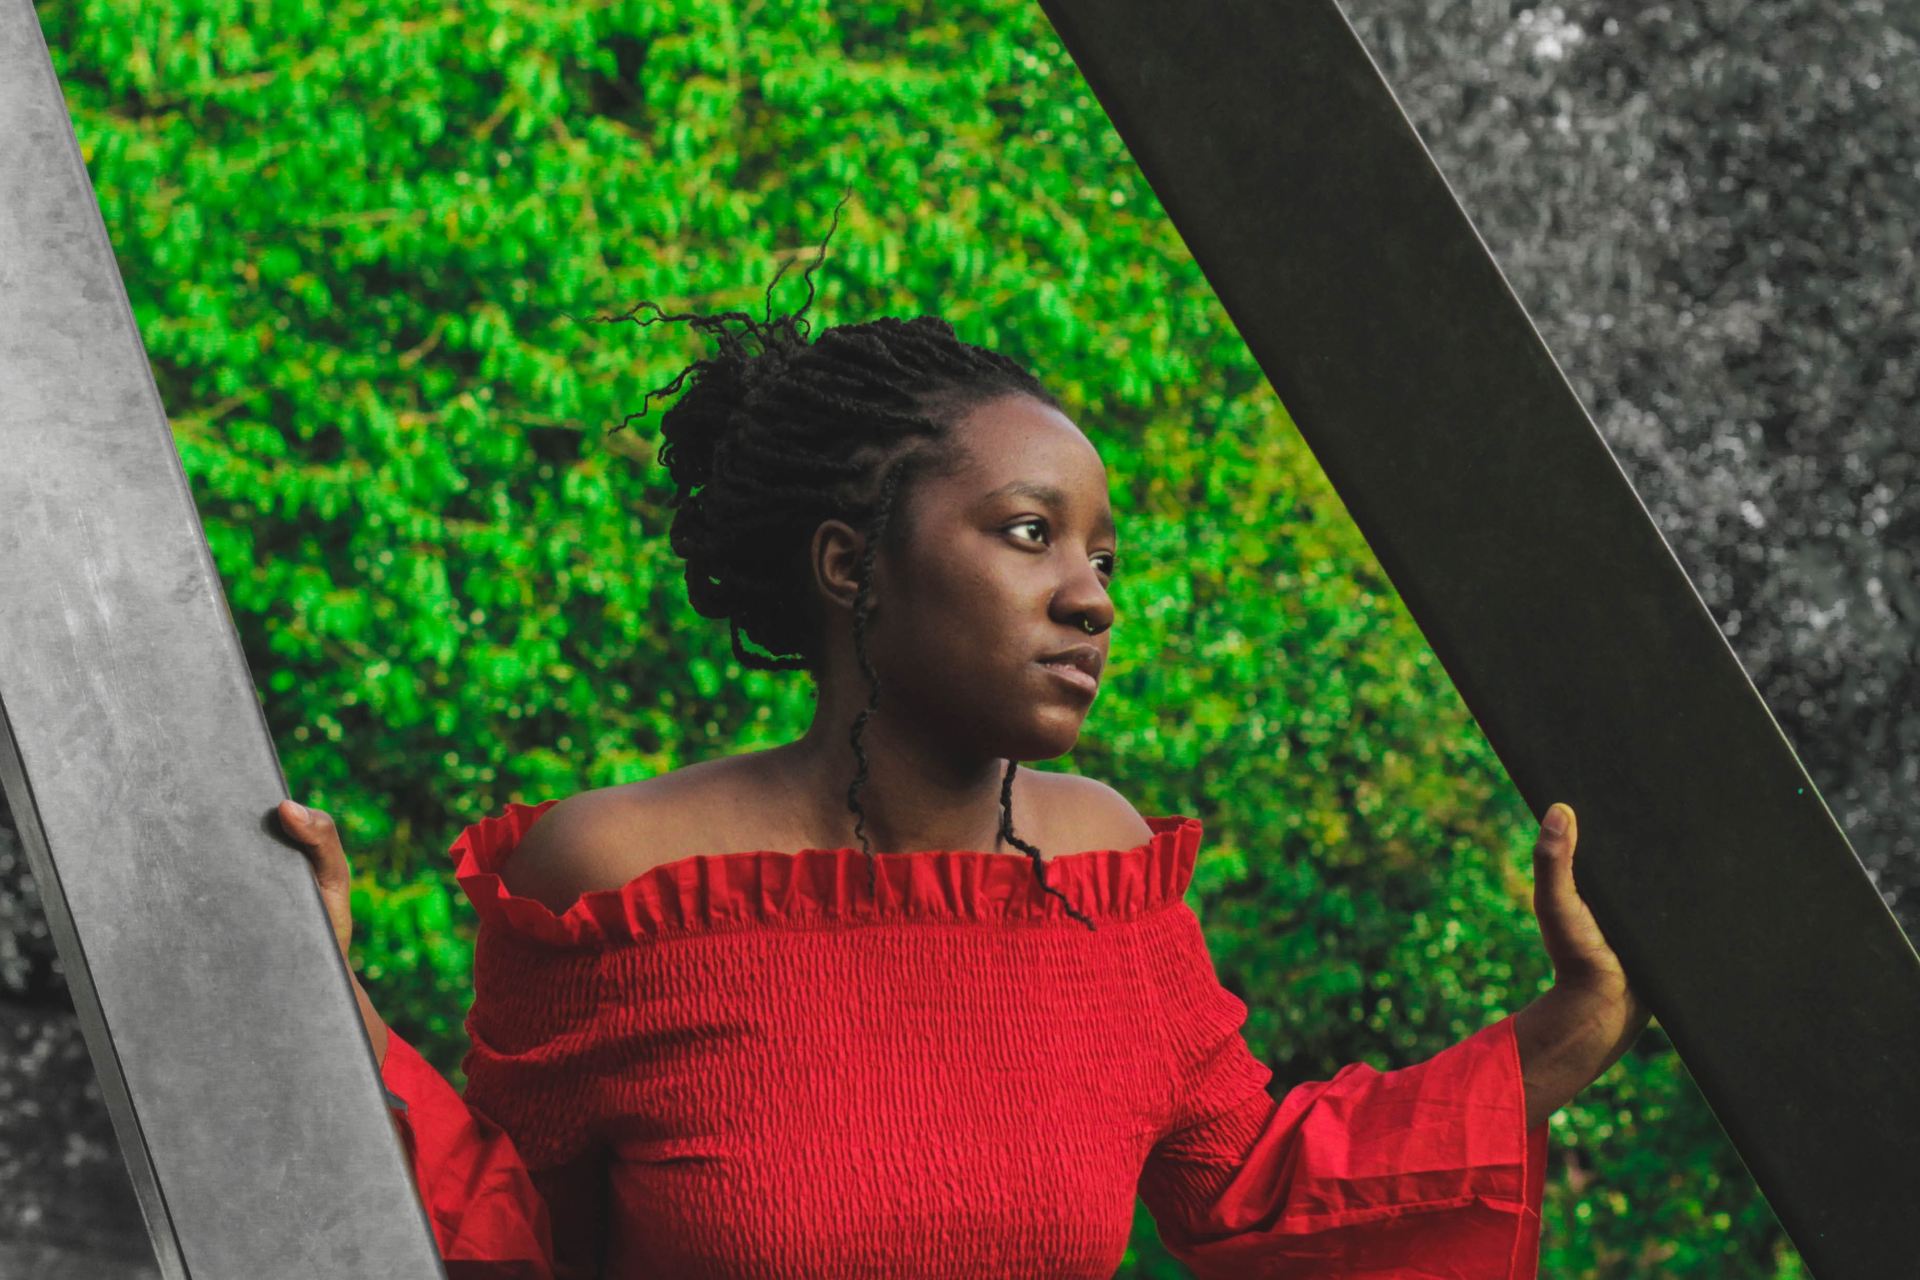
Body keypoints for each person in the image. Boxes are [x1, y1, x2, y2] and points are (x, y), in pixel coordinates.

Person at [279, 225, 1650, 1278]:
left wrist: (1571, 1023)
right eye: (1029, 532)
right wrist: (314, 990)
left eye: (1104, 554)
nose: (1094, 595)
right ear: (848, 566)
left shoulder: (1108, 875)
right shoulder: (613, 878)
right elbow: (495, 1240)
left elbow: (1268, 1187)